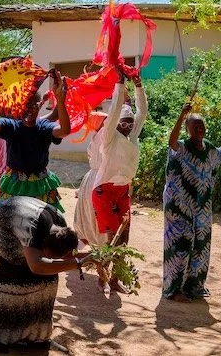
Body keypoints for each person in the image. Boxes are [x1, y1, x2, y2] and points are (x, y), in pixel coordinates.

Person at [0, 196, 89, 350]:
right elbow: (37, 266)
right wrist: (78, 263)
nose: (49, 258)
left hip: (14, 228)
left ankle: (35, 336)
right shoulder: (30, 228)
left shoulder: (60, 226)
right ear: (42, 245)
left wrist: (94, 257)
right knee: (3, 282)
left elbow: (67, 256)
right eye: (48, 255)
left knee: (46, 280)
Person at [163, 102, 221, 303]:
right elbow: (172, 142)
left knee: (201, 244)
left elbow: (220, 153)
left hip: (201, 207)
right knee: (181, 244)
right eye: (195, 126)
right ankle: (173, 290)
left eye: (201, 125)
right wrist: (182, 115)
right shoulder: (182, 147)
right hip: (179, 206)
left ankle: (193, 286)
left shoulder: (208, 148)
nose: (199, 129)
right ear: (188, 129)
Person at [0, 69, 70, 212]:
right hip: (14, 183)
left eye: (33, 106)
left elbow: (64, 130)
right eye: (25, 106)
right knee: (8, 218)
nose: (29, 110)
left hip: (40, 184)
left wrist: (59, 96)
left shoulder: (43, 127)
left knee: (47, 220)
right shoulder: (12, 125)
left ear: (39, 105)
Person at [88, 72, 147, 292]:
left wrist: (138, 86)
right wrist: (119, 85)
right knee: (112, 236)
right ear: (116, 124)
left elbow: (143, 112)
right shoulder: (108, 138)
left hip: (123, 191)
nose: (129, 126)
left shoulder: (132, 137)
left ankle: (115, 278)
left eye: (131, 123)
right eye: (124, 123)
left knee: (124, 236)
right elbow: (112, 114)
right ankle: (103, 275)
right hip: (104, 191)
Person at [72, 110, 108, 245]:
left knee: (88, 209)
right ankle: (99, 240)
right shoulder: (103, 136)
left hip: (92, 177)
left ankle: (87, 238)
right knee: (95, 210)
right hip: (99, 177)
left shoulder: (97, 137)